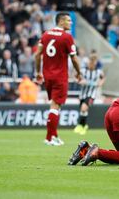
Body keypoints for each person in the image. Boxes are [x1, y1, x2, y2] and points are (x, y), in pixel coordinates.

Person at [35, 12, 82, 146]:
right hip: (60, 76)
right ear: (61, 22)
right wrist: (79, 73)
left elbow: (37, 55)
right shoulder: (67, 37)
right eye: (68, 20)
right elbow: (73, 58)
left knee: (56, 105)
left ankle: (54, 135)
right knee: (55, 106)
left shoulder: (45, 34)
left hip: (47, 76)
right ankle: (49, 138)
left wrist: (38, 72)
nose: (70, 23)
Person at [73, 53, 105, 135]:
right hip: (82, 94)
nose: (91, 64)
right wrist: (79, 81)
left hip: (92, 94)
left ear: (95, 63)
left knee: (84, 108)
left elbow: (103, 78)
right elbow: (76, 77)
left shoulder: (98, 72)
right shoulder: (83, 71)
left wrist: (100, 83)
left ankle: (81, 125)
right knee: (83, 110)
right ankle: (83, 126)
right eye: (90, 62)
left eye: (93, 63)